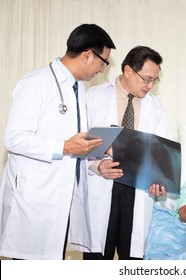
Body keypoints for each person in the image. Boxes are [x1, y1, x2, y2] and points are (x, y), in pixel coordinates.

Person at [0, 24, 116, 260]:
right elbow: (13, 138)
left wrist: (98, 150)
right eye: (103, 62)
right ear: (87, 55)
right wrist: (62, 147)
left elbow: (75, 142)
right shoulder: (37, 82)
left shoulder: (78, 89)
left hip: (61, 202)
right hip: (35, 199)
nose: (102, 70)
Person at [70, 46, 173, 260]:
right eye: (146, 79)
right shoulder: (93, 97)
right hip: (102, 182)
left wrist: (159, 180)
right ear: (128, 71)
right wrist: (97, 166)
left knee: (133, 259)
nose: (150, 85)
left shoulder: (156, 107)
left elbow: (163, 152)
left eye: (155, 80)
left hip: (137, 188)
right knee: (97, 258)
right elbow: (75, 143)